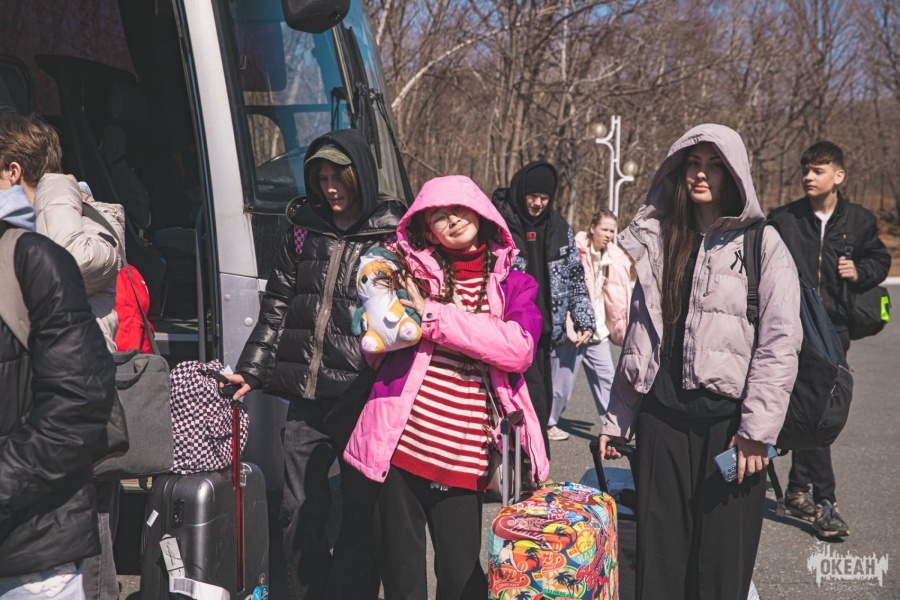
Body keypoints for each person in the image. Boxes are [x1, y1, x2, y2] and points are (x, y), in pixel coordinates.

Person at [598, 124, 803, 600]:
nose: (701, 174)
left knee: (720, 572)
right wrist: (618, 417)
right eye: (693, 163)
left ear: (734, 174)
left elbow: (780, 342)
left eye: (715, 165)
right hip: (661, 423)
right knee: (658, 566)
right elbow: (640, 338)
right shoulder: (660, 238)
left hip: (730, 430)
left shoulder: (762, 243)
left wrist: (756, 431)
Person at [343, 174, 549, 600]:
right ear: (426, 228)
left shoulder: (514, 283)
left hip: (464, 457)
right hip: (400, 450)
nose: (452, 220)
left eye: (459, 210)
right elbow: (377, 336)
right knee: (402, 582)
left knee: (460, 580)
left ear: (480, 213)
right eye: (439, 216)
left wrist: (434, 317)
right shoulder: (409, 273)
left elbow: (518, 349)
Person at [223, 129, 406, 600]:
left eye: (338, 178)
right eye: (321, 179)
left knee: (361, 513)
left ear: (360, 175)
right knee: (298, 510)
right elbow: (278, 302)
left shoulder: (392, 232)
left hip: (363, 396)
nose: (330, 188)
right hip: (307, 396)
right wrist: (253, 368)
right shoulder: (305, 227)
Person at [0, 108, 124, 600]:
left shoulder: (60, 231)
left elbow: (72, 254)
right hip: (44, 424)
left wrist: (54, 193)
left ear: (13, 171)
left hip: (58, 453)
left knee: (96, 549)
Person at [769, 141, 891, 538]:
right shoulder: (783, 220)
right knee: (815, 409)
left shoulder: (859, 220)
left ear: (838, 176)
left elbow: (879, 259)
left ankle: (799, 490)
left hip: (835, 329)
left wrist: (859, 271)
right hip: (791, 327)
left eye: (817, 170)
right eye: (805, 169)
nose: (808, 176)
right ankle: (824, 501)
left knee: (816, 407)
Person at [492, 162, 594, 453]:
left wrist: (583, 317)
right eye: (532, 196)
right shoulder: (500, 225)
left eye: (544, 198)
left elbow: (575, 276)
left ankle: (532, 460)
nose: (538, 203)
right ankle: (528, 459)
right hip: (509, 329)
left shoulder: (559, 228)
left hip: (544, 331)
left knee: (541, 399)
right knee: (518, 400)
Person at [548, 210, 632, 440]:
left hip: (598, 330)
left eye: (612, 231)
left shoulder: (613, 257)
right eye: (604, 229)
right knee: (561, 386)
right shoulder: (573, 250)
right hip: (573, 330)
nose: (608, 235)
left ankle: (613, 427)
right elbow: (562, 289)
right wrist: (568, 325)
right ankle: (548, 423)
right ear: (592, 228)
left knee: (608, 381)